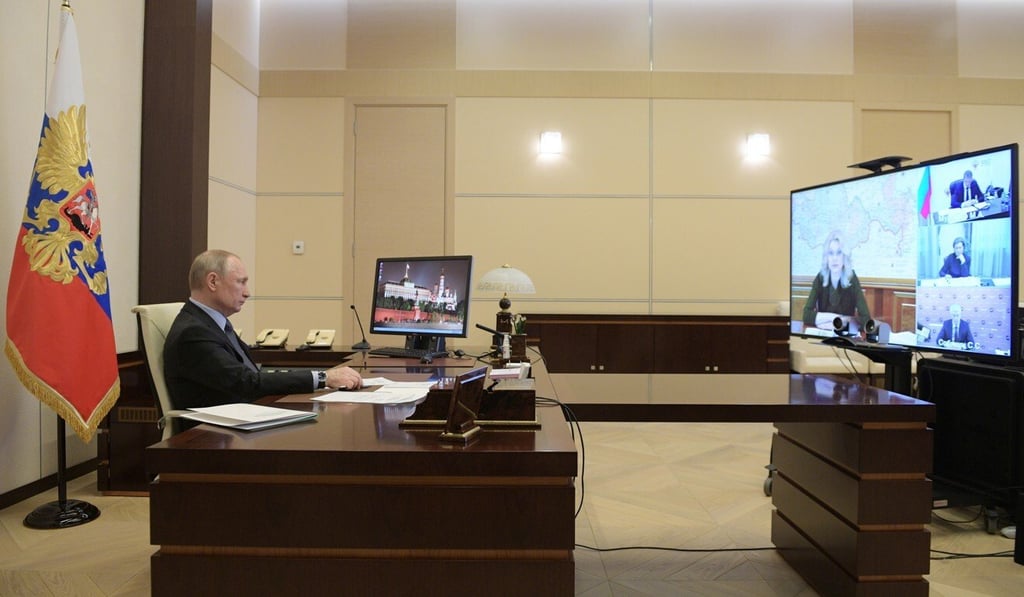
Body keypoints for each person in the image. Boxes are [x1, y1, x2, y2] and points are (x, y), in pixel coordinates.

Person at [164, 249, 363, 413]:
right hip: (210, 436)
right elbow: (246, 382)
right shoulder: (193, 333)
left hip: (239, 422)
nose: (247, 292)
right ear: (213, 282)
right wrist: (324, 378)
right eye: (240, 282)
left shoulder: (212, 324)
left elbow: (249, 377)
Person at [802, 230, 871, 332]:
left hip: (845, 336)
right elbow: (806, 315)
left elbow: (866, 319)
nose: (835, 258)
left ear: (844, 256)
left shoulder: (851, 278)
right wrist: (836, 319)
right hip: (824, 334)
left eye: (839, 253)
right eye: (831, 253)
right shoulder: (820, 278)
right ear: (826, 257)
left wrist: (827, 322)